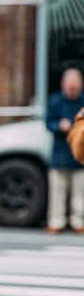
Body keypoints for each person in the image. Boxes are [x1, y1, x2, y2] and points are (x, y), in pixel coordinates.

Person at [44, 67, 84, 233]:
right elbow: (47, 122)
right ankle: (56, 221)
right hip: (60, 152)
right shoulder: (55, 101)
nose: (72, 90)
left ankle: (78, 221)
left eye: (75, 86)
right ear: (63, 85)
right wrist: (58, 125)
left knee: (80, 193)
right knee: (57, 192)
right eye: (69, 86)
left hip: (80, 154)